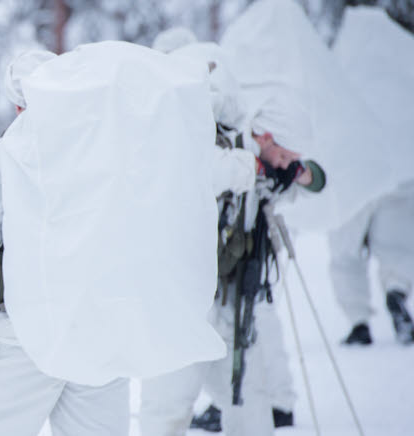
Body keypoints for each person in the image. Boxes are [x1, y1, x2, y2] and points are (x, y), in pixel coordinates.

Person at [138, 39, 325, 435]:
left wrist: (291, 172)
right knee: (167, 408)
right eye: (286, 156)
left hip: (230, 304)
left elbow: (314, 181)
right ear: (268, 135)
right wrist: (256, 167)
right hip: (181, 303)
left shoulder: (257, 156)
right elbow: (203, 170)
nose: (288, 165)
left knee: (251, 404)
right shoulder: (203, 142)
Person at [0, 48, 132, 436]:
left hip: (27, 335)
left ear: (18, 105)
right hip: (101, 330)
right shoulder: (109, 157)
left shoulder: (6, 156)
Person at [331, 180, 414, 345]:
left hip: (349, 186)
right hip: (396, 181)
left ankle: (359, 322)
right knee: (397, 251)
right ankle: (396, 289)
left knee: (346, 257)